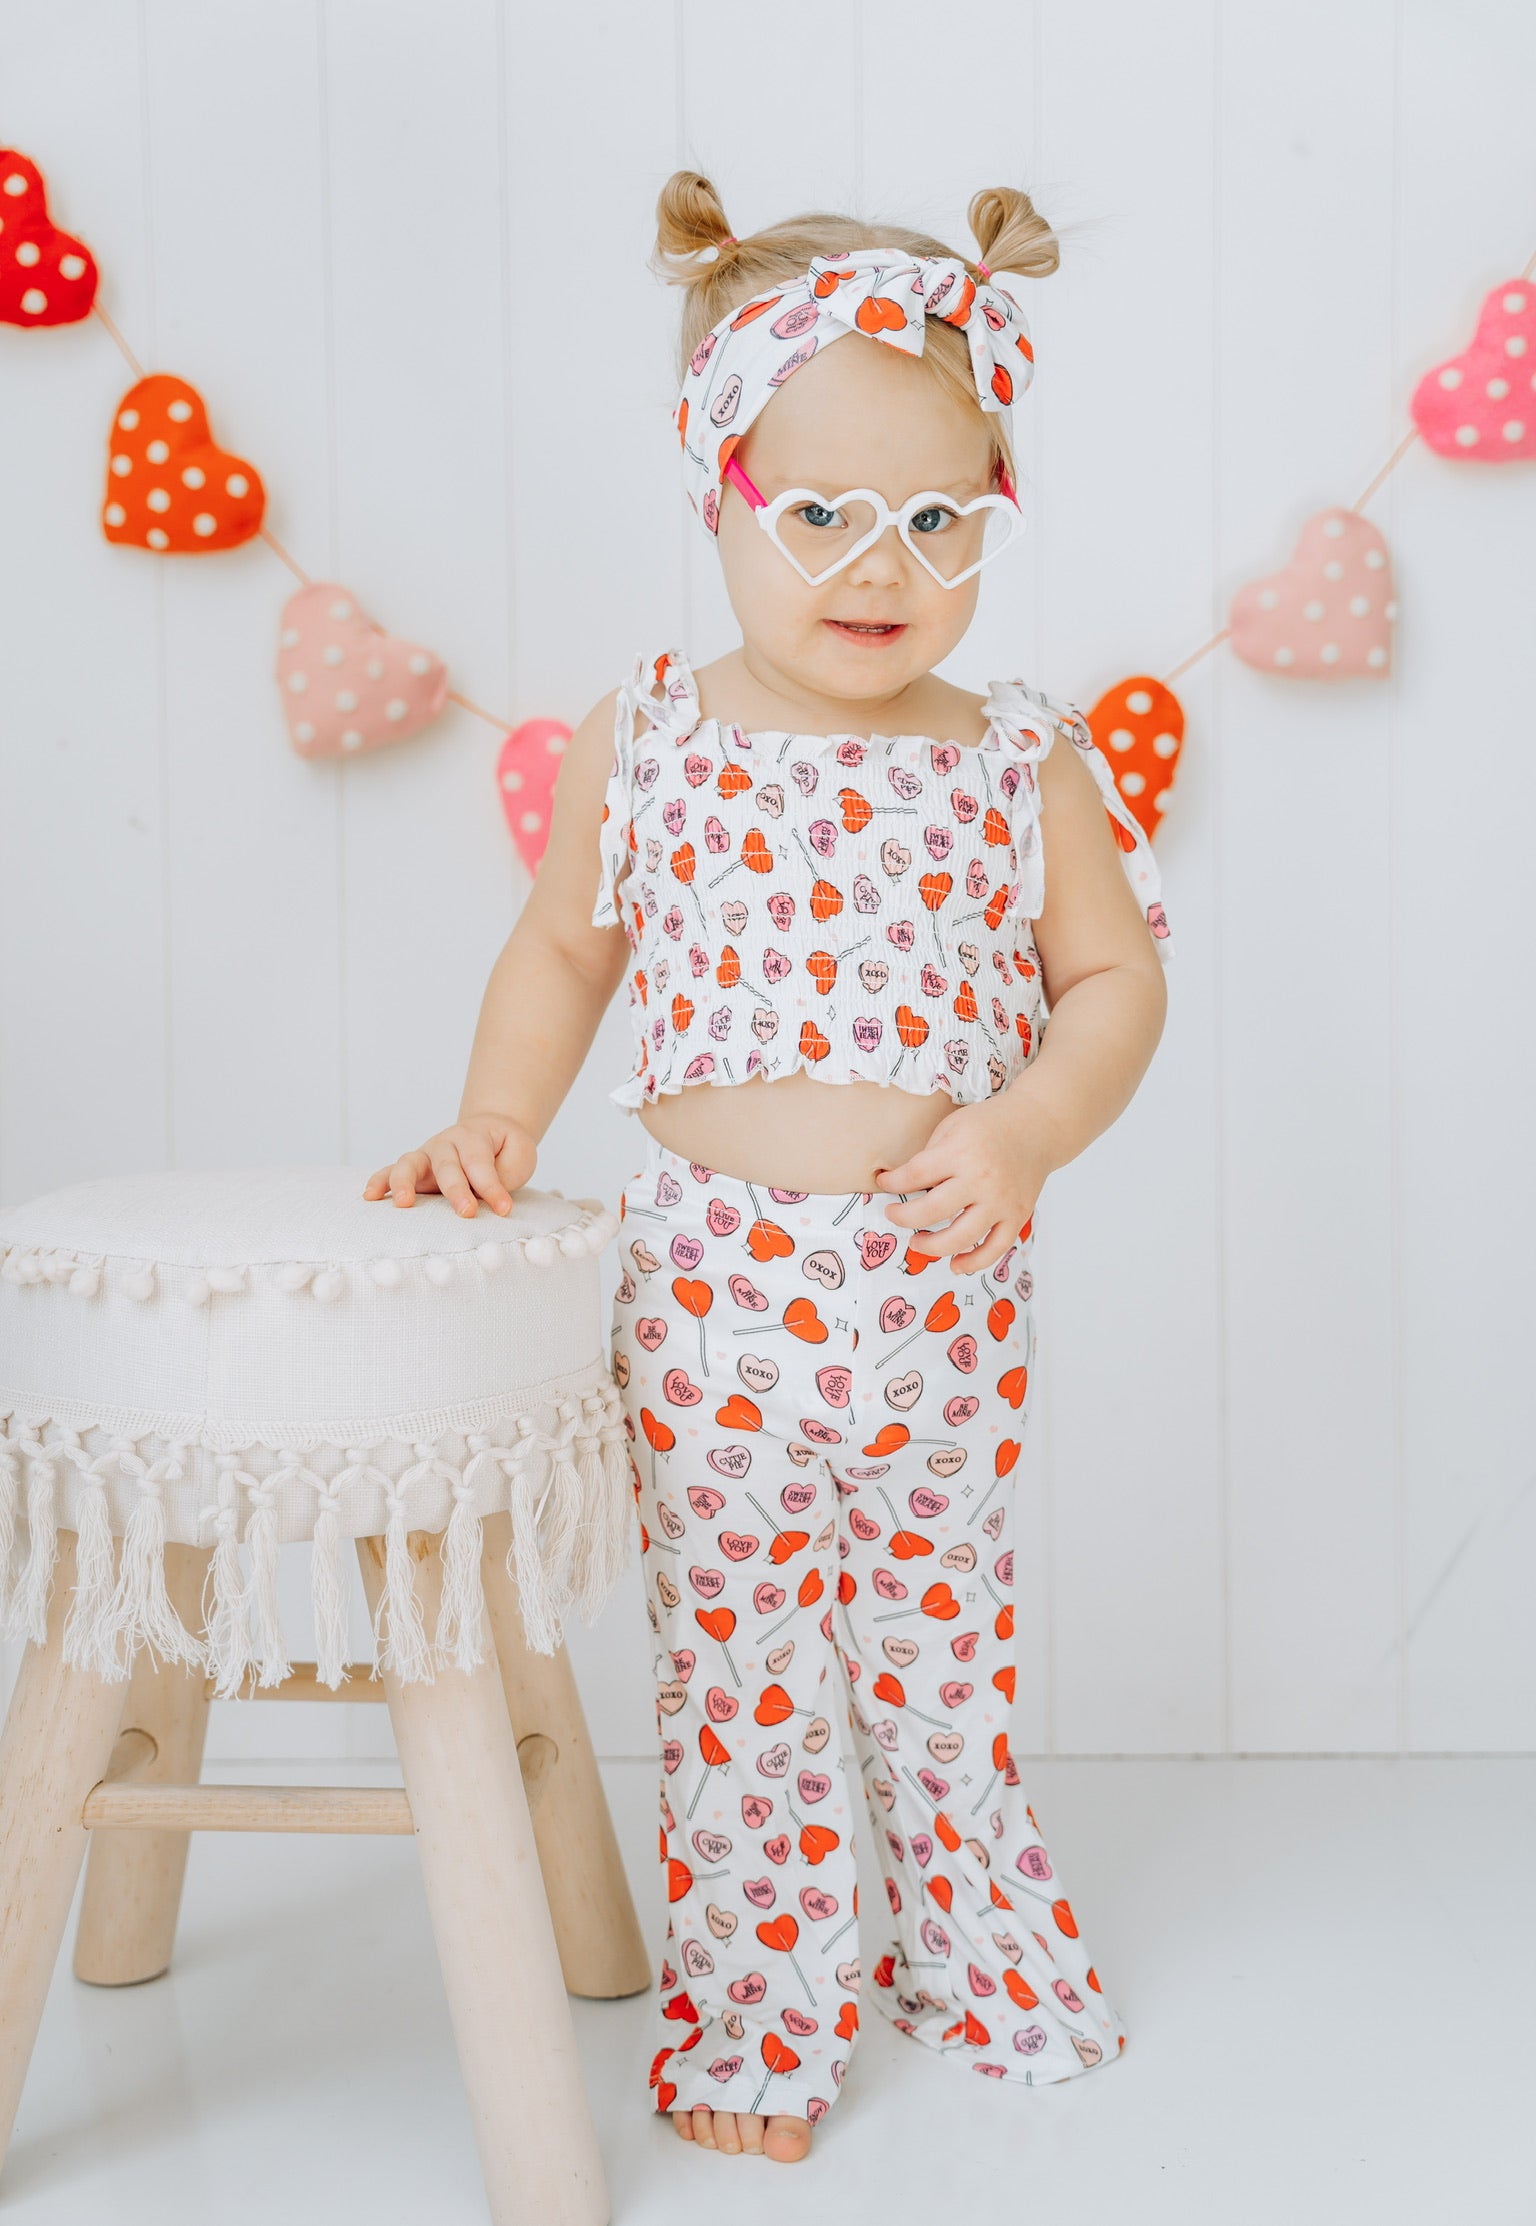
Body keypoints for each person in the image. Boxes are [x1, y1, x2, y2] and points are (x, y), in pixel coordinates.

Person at [366, 169, 1173, 2166]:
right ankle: (761, 2009)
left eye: (939, 520)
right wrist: (496, 1116)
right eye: (818, 511)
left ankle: (977, 1956)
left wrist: (1026, 1127)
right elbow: (565, 954)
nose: (879, 564)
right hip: (713, 1287)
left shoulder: (1019, 756)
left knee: (938, 1651)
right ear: (712, 487)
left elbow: (1112, 984)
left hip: (937, 1291)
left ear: (995, 510)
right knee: (740, 1672)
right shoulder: (650, 735)